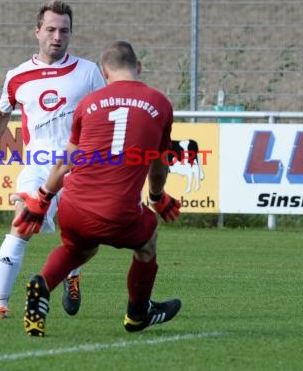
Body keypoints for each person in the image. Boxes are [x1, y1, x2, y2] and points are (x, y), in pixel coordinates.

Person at [12, 40, 182, 337]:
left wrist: (41, 200)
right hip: (118, 212)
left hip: (73, 207)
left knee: (78, 248)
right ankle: (138, 314)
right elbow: (158, 163)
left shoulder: (88, 105)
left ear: (104, 73)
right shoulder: (159, 104)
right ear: (139, 67)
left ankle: (42, 283)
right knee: (147, 242)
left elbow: (66, 162)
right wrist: (157, 197)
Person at [0, 0, 105, 320]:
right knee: (22, 223)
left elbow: (105, 112)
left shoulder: (88, 72)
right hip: (39, 166)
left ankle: (72, 273)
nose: (57, 36)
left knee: (85, 239)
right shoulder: (17, 76)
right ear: (37, 31)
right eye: (51, 30)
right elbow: (2, 114)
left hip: (79, 167)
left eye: (64, 31)